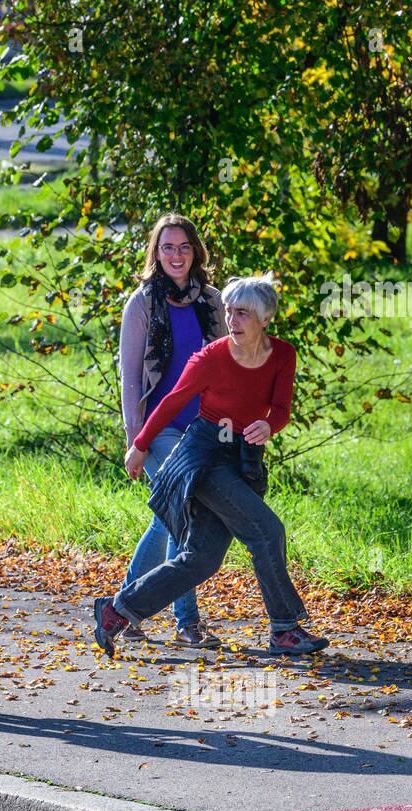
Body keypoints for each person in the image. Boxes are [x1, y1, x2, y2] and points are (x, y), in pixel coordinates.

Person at [92, 273, 326, 658]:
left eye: (243, 314)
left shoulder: (283, 354)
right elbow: (171, 402)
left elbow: (281, 409)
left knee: (200, 558)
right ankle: (284, 629)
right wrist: (140, 445)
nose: (232, 320)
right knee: (267, 531)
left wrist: (270, 425)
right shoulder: (211, 356)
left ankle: (117, 611)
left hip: (243, 459)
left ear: (266, 318)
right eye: (230, 311)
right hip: (203, 457)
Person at [119, 213, 227, 648]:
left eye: (184, 247)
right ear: (156, 253)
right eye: (167, 247)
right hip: (158, 427)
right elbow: (129, 376)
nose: (176, 255)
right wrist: (136, 439)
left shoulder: (212, 301)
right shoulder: (143, 302)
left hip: (203, 427)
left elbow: (227, 364)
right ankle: (187, 623)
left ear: (195, 252)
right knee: (184, 517)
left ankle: (122, 610)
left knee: (166, 521)